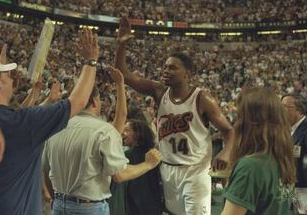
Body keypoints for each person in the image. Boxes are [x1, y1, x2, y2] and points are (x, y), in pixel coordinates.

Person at [0, 29, 100, 215]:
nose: (12, 77)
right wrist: (91, 61)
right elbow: (78, 101)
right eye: (6, 74)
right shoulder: (24, 123)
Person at [115, 16, 233, 215]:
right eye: (165, 66)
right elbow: (124, 75)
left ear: (187, 73)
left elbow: (229, 131)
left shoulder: (202, 99)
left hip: (195, 170)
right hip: (167, 169)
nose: (166, 71)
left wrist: (226, 152)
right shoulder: (159, 91)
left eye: (173, 67)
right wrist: (121, 45)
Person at [42, 83, 162, 215]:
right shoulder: (104, 130)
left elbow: (46, 170)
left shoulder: (55, 127)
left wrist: (59, 200)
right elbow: (119, 174)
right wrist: (148, 164)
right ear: (94, 101)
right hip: (89, 207)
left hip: (59, 204)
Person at [222, 87, 295, 215]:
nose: (236, 124)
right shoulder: (283, 158)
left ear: (249, 123)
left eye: (240, 117)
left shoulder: (250, 167)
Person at [109, 119, 164, 215]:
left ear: (137, 134)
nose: (123, 133)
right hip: (155, 207)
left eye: (127, 130)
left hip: (134, 208)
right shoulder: (154, 154)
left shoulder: (127, 155)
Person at [281, 93, 307, 214]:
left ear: (300, 110)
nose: (282, 110)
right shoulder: (290, 130)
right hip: (294, 188)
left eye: (286, 107)